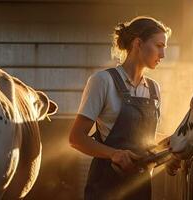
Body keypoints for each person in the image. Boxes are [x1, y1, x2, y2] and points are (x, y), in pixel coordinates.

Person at [69, 16, 171, 200]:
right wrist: (114, 154)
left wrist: (170, 149)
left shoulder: (154, 89)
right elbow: (76, 138)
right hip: (105, 187)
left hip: (139, 187)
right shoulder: (102, 81)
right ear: (138, 43)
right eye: (159, 46)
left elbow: (145, 140)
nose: (163, 54)